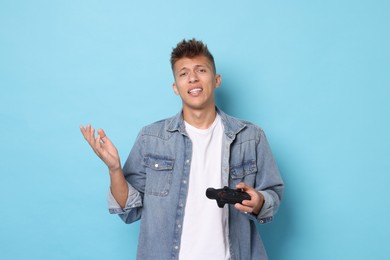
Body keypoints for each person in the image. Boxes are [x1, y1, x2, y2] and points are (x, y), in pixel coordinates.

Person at [80, 39, 284, 260]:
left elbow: (272, 194)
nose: (193, 78)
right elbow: (128, 210)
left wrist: (259, 201)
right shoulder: (151, 138)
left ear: (216, 80)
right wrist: (114, 169)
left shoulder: (250, 137)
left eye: (201, 70)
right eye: (184, 73)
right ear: (175, 87)